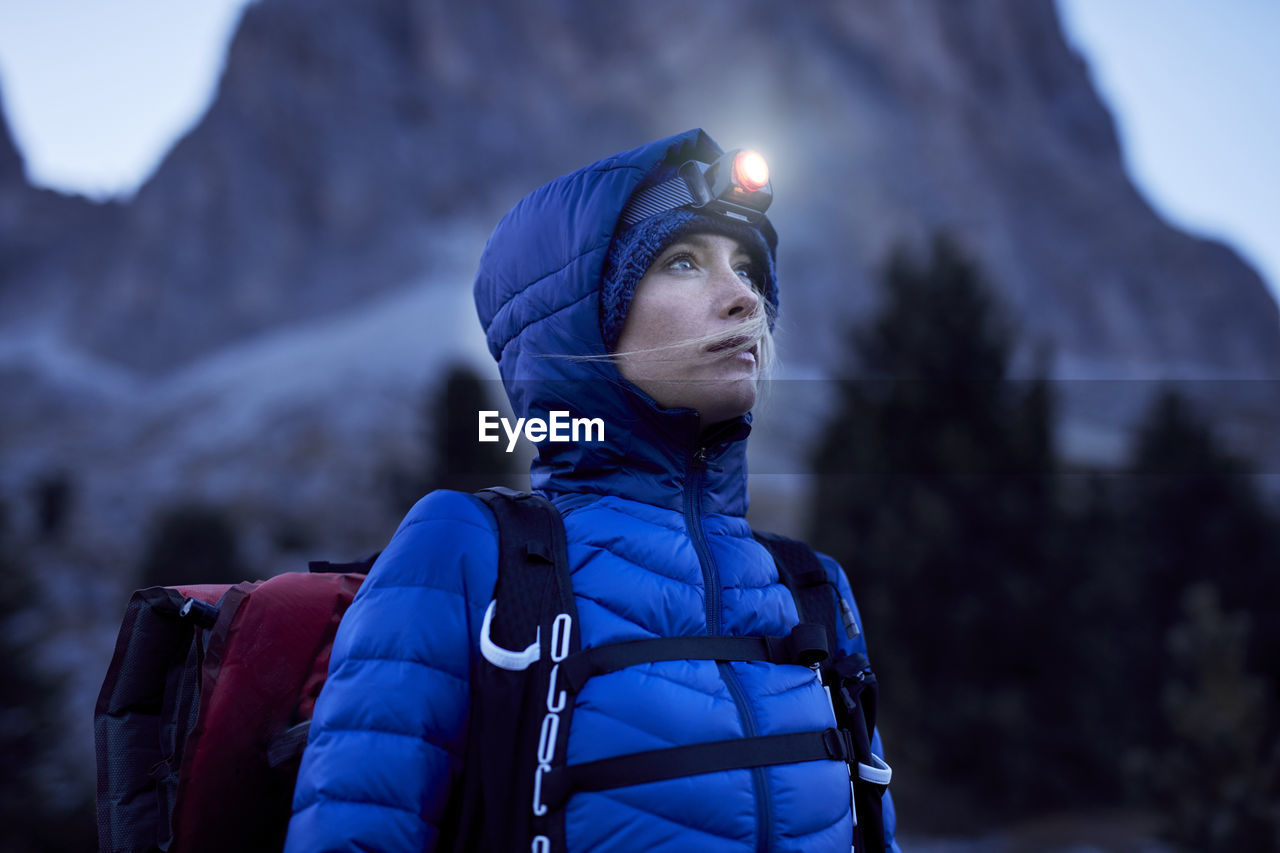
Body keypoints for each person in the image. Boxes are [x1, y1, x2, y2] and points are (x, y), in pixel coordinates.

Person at [285, 128, 900, 852]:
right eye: (683, 261)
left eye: (746, 267)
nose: (743, 298)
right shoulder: (465, 554)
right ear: (579, 323)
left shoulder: (814, 589)